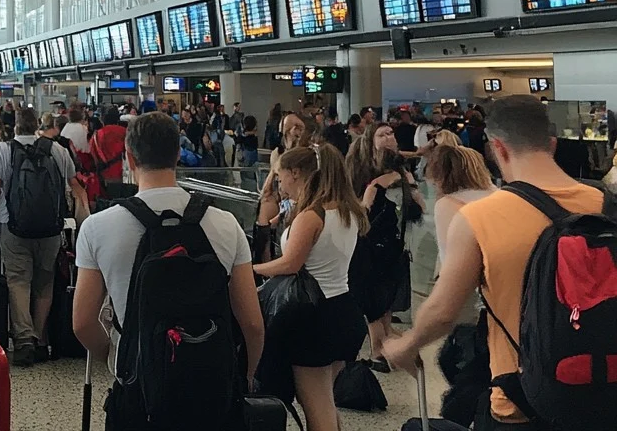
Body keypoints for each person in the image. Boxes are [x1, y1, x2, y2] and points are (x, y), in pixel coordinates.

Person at [385, 96, 609, 429]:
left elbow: (444, 312)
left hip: (522, 398)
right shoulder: (607, 203)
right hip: (605, 390)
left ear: (497, 148)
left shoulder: (478, 217)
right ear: (551, 143)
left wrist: (406, 344)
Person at [73, 112, 264, 426]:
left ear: (129, 158)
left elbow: (82, 323)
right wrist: (245, 376)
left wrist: (122, 355)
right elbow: (253, 324)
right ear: (178, 154)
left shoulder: (97, 228)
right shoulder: (225, 224)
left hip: (138, 392)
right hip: (211, 389)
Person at [252, 145, 369, 431]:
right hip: (343, 309)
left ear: (295, 173)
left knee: (316, 406)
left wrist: (248, 271)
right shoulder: (347, 211)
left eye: (281, 177)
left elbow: (290, 264)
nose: (280, 185)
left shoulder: (311, 216)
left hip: (314, 317)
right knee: (324, 400)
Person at [0, 107, 78, 366]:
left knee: (18, 281)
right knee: (44, 282)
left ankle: (24, 341)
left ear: (15, 126)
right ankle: (41, 340)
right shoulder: (57, 150)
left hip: (11, 226)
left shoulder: (2, 150)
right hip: (51, 229)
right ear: (37, 125)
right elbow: (72, 187)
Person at [346, 121, 425, 369]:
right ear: (371, 141)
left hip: (393, 243)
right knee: (374, 302)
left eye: (391, 133)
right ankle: (378, 351)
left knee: (384, 302)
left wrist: (407, 183)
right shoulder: (361, 169)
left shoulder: (401, 169)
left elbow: (418, 207)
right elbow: (357, 206)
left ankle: (384, 348)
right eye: (382, 134)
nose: (389, 137)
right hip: (368, 243)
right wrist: (377, 186)